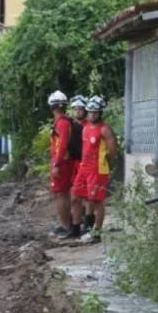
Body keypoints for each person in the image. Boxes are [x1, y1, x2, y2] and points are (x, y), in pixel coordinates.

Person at [76, 95, 117, 243]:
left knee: (97, 201)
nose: (92, 115)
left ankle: (96, 232)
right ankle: (87, 226)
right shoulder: (85, 128)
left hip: (98, 169)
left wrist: (108, 164)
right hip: (85, 167)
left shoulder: (105, 129)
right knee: (84, 197)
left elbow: (113, 150)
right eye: (90, 112)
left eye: (95, 112)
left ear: (100, 113)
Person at [47, 91, 74, 237]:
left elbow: (63, 145)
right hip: (61, 162)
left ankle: (65, 225)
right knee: (62, 194)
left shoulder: (62, 123)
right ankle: (65, 223)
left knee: (62, 194)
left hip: (62, 164)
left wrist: (56, 164)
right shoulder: (61, 122)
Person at [64, 95, 88, 238]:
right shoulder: (69, 125)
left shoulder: (88, 126)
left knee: (86, 197)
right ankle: (75, 227)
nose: (78, 111)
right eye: (75, 109)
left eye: (81, 109)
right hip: (73, 164)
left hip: (85, 164)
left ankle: (87, 225)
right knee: (75, 197)